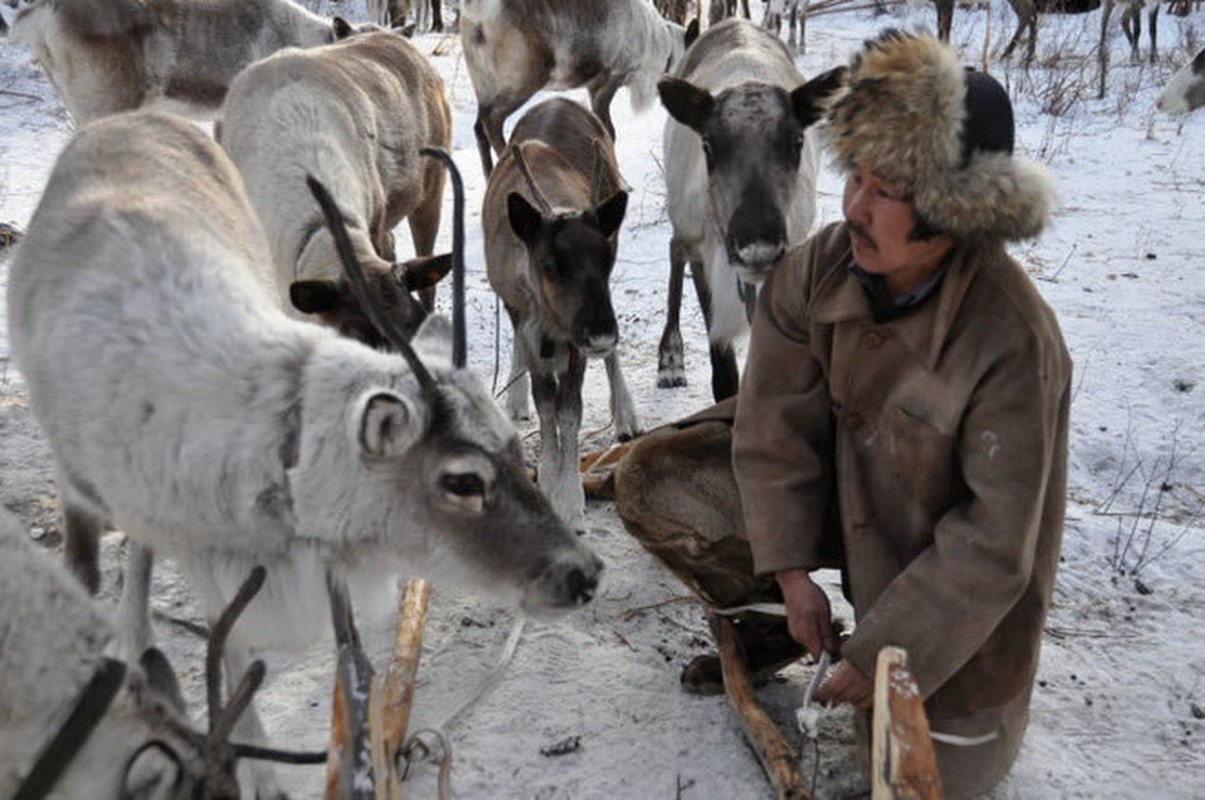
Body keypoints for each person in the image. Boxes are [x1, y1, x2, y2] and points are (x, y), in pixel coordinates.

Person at [614, 29, 1069, 798]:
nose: (852, 206)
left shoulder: (1011, 343)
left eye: (885, 191)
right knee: (657, 478)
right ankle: (773, 625)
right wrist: (791, 575)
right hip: (845, 513)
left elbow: (992, 547)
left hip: (950, 600)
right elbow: (771, 432)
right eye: (852, 175)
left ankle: (887, 661)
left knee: (929, 773)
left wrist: (887, 649)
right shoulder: (822, 266)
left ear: (952, 210)